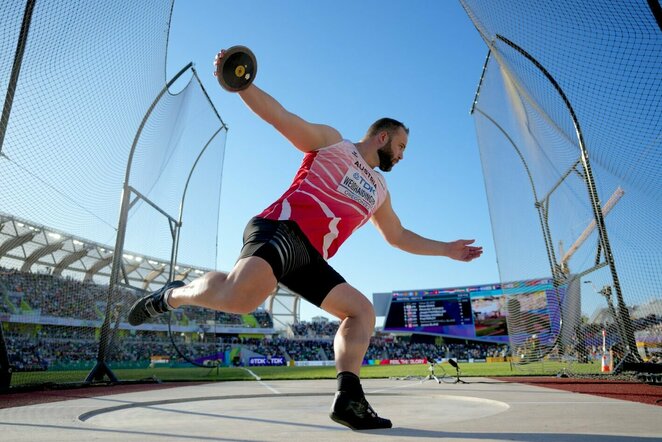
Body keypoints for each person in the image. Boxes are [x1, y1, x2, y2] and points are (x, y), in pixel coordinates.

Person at [129, 48, 483, 430]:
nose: (401, 156)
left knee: (361, 310)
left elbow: (397, 236)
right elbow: (282, 118)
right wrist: (242, 84)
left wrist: (447, 249)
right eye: (400, 147)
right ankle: (172, 295)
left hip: (310, 256)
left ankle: (349, 397)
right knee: (240, 297)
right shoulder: (334, 144)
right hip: (282, 228)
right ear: (382, 137)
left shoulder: (380, 191)